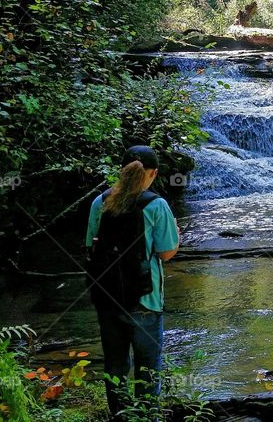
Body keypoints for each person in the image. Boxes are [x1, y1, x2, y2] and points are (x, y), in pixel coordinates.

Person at [85, 145, 179, 420]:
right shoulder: (156, 205)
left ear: (121, 171)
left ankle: (120, 415)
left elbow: (90, 246)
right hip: (144, 299)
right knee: (148, 366)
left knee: (115, 364)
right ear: (153, 174)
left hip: (106, 296)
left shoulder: (98, 202)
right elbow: (166, 252)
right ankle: (147, 417)